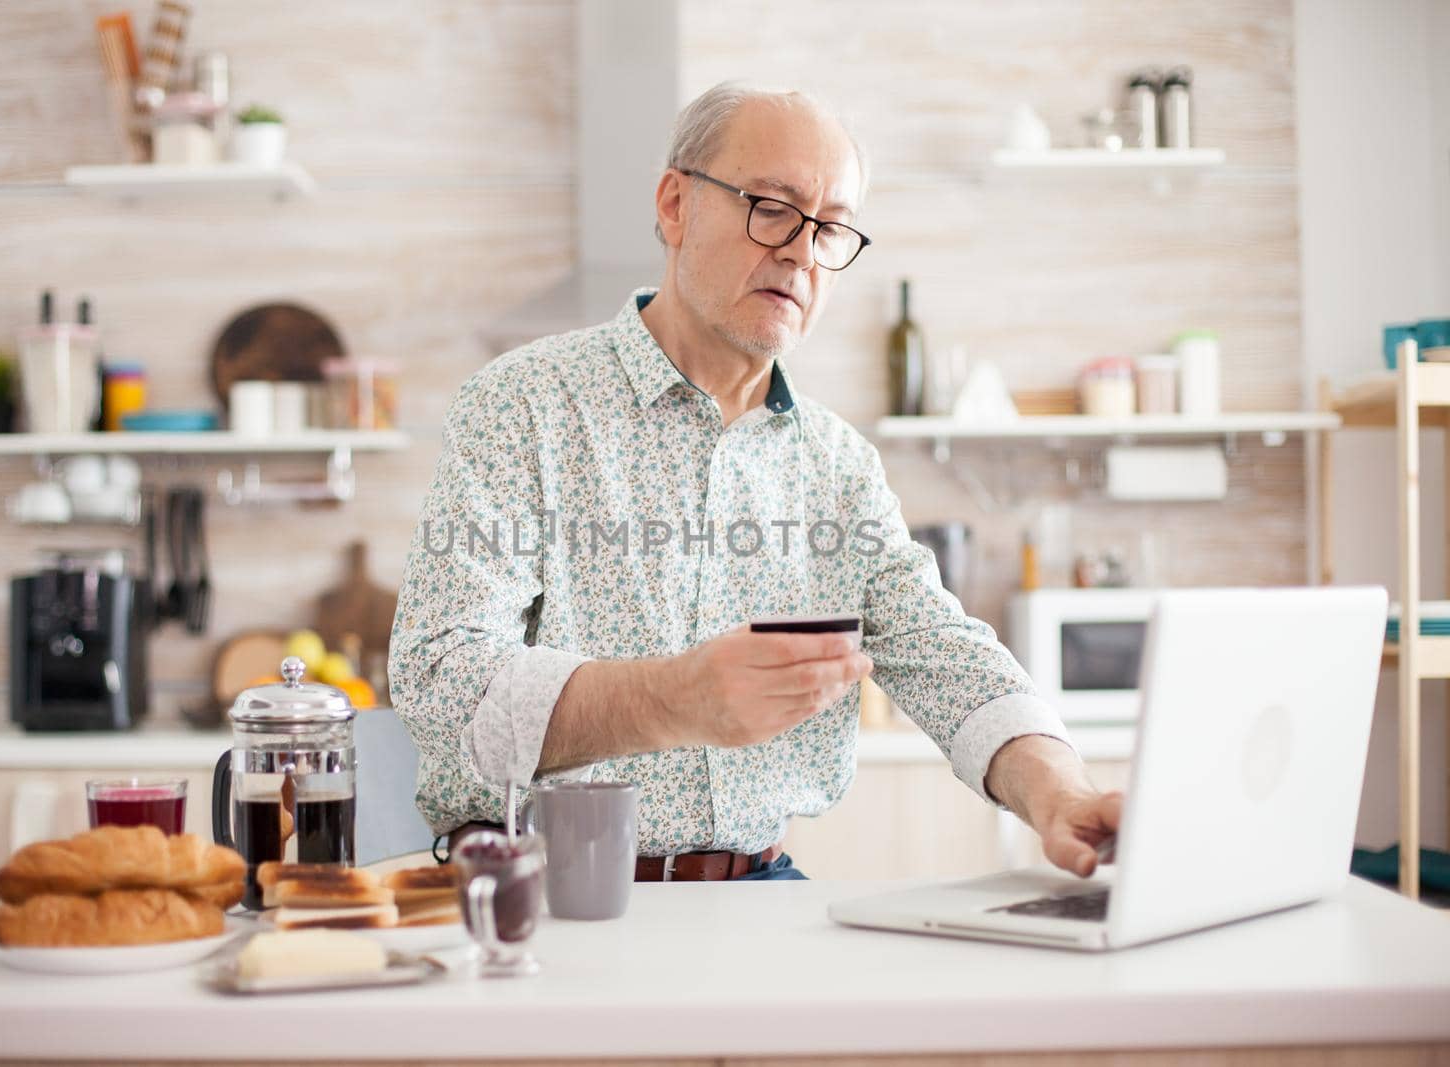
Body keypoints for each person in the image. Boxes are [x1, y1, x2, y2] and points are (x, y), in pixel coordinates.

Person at [389, 82, 1121, 882]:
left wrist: (1060, 793)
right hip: (545, 889)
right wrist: (668, 698)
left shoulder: (838, 466)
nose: (803, 252)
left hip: (760, 892)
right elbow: (441, 684)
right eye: (772, 207)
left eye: (831, 227)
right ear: (675, 205)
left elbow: (944, 656)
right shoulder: (521, 405)